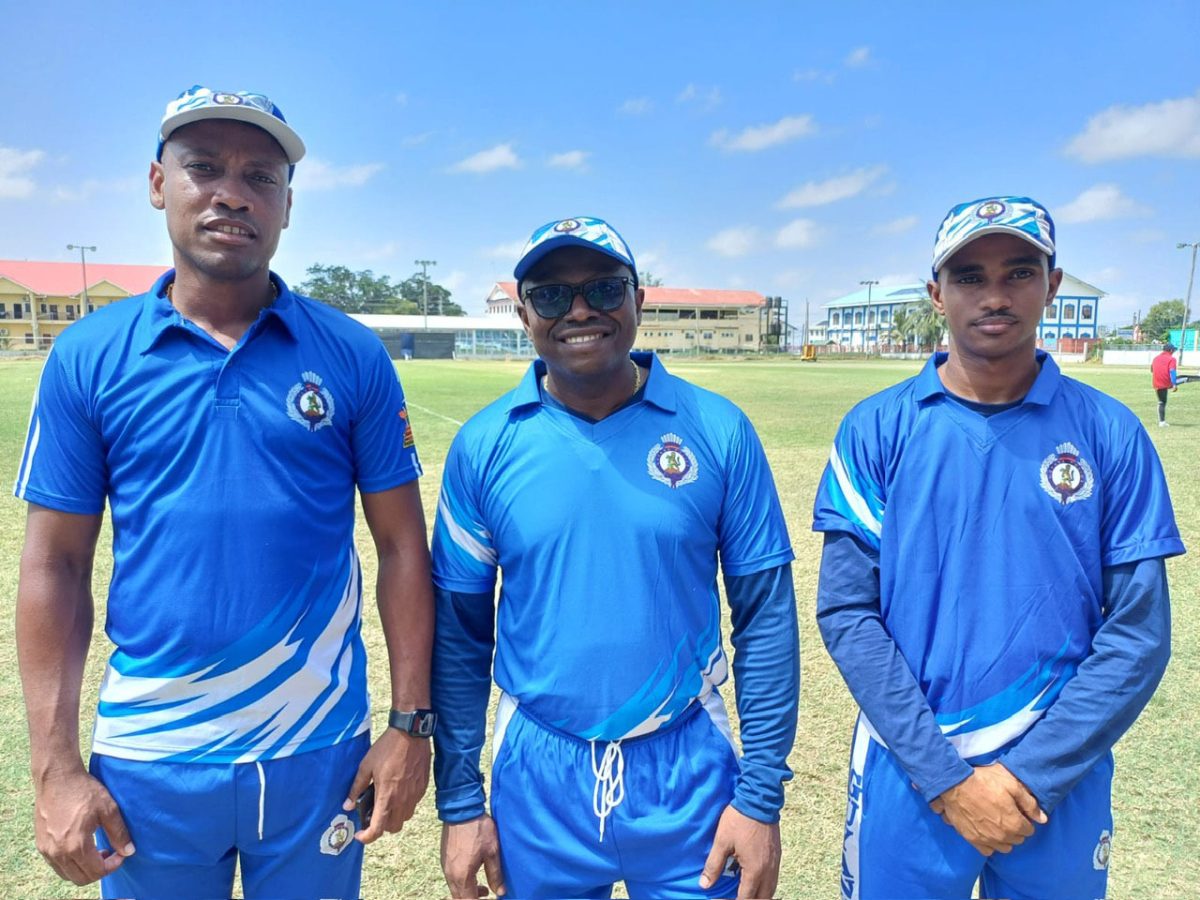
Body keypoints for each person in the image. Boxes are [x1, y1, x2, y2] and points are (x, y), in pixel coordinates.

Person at [14, 85, 435, 899]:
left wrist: (409, 725)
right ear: (156, 182)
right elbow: (54, 566)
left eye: (260, 177)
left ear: (286, 205)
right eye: (202, 167)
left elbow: (401, 547)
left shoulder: (350, 354)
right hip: (149, 760)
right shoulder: (88, 356)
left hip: (317, 752)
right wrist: (55, 768)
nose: (231, 193)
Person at [813, 195, 1183, 899]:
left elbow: (1137, 634)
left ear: (1053, 282)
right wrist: (947, 779)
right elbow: (847, 614)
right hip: (909, 773)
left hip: (1055, 784)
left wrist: (1028, 775)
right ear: (936, 293)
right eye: (969, 276)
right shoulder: (876, 429)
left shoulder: (1109, 433)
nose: (994, 295)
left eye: (1018, 272)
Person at [430, 216, 799, 899]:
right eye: (551, 296)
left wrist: (760, 798)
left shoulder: (717, 430)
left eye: (603, 288)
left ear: (638, 299)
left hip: (687, 763)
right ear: (522, 312)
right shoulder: (484, 446)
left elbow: (766, 620)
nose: (579, 311)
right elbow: (458, 633)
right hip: (539, 771)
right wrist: (458, 801)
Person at [1151, 342, 1178, 426]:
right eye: (1173, 350)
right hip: (1164, 383)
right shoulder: (1171, 359)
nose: (1173, 352)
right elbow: (1172, 371)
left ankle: (1162, 421)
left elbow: (1152, 369)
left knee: (1161, 401)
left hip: (1156, 382)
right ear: (1170, 350)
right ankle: (1162, 422)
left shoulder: (1155, 358)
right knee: (1162, 402)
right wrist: (1174, 384)